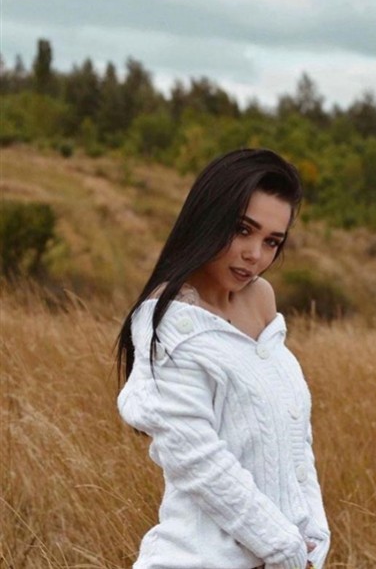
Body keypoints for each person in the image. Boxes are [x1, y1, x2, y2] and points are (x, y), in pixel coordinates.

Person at [116, 148, 331, 569]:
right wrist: (284, 549)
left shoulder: (261, 299)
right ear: (208, 218)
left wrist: (314, 535)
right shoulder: (171, 320)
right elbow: (198, 461)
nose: (255, 255)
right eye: (242, 230)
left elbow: (293, 436)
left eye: (272, 241)